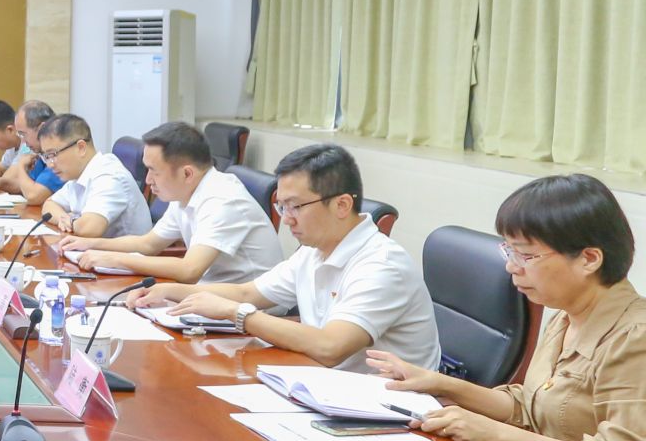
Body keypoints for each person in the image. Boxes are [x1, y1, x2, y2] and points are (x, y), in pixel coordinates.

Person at [370, 174, 646, 441]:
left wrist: (495, 435)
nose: (512, 266)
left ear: (589, 259)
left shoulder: (635, 339)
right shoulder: (567, 316)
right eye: (510, 251)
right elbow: (531, 408)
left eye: (526, 255)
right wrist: (441, 385)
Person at [135, 143, 439, 372]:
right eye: (282, 207)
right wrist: (169, 291)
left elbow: (331, 346)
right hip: (326, 388)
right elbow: (248, 293)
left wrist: (237, 313)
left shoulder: (381, 265)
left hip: (390, 412)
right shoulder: (313, 250)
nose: (287, 218)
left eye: (296, 206)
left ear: (342, 205)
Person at [58, 121, 282, 284]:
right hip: (211, 295)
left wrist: (116, 259)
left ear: (187, 173)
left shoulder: (222, 200)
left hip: (251, 311)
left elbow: (189, 270)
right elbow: (148, 244)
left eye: (154, 171)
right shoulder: (186, 192)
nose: (147, 180)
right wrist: (89, 244)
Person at [36, 114, 153, 239]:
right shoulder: (78, 175)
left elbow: (89, 229)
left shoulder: (109, 175)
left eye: (53, 154)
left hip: (127, 251)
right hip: (95, 249)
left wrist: (71, 220)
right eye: (46, 157)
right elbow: (49, 205)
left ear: (81, 148)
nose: (50, 164)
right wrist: (64, 218)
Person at [0, 99, 65, 205]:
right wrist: (1, 183)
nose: (23, 142)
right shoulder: (41, 156)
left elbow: (33, 196)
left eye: (23, 134)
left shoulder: (60, 156)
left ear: (42, 129)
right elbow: (25, 186)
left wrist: (21, 166)